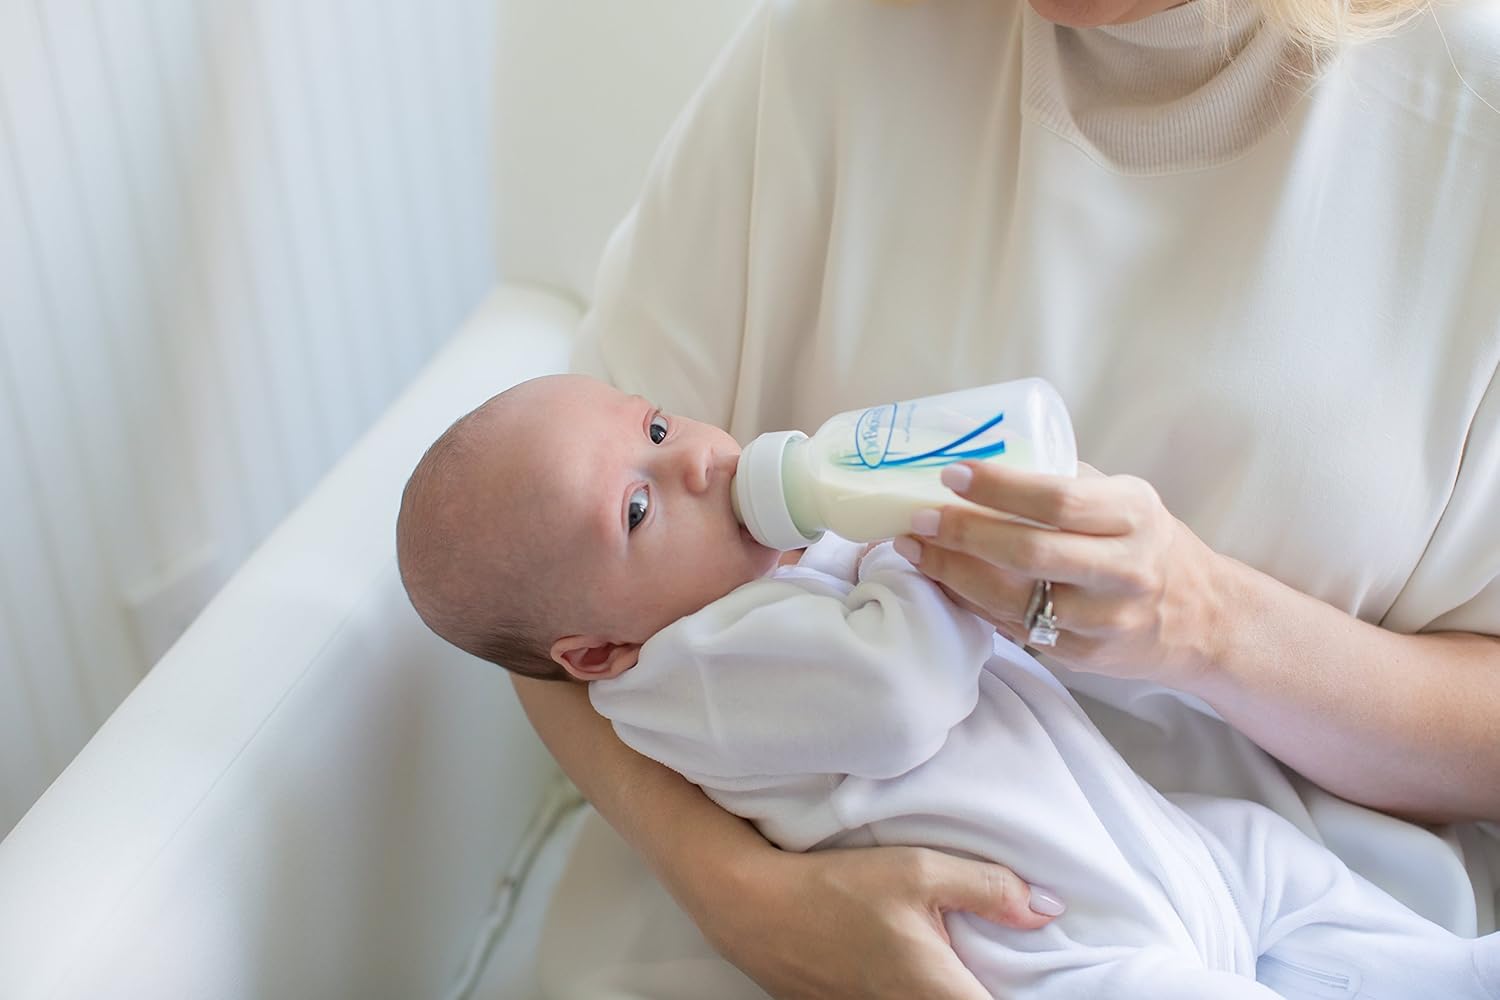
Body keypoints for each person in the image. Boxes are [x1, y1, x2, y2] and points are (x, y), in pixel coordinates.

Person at [513, 0, 1500, 996]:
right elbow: (539, 596)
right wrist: (749, 903)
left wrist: (1207, 621)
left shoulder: (1468, 113)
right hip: (813, 902)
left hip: (1295, 897)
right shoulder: (835, 45)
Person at [395, 372, 1497, 998]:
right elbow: (900, 694)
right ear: (594, 652)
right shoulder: (690, 674)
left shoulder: (741, 576)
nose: (694, 462)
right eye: (637, 509)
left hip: (1148, 845)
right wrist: (910, 550)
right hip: (1050, 940)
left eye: (655, 424)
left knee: (1286, 874)